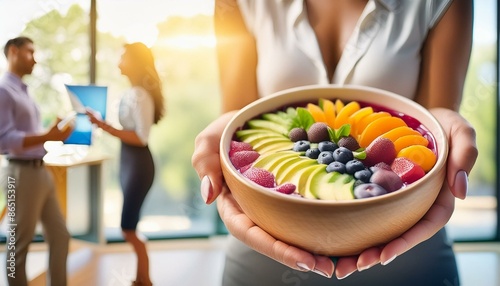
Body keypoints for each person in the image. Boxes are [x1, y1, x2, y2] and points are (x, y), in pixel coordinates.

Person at [192, 0, 478, 285]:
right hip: (265, 237)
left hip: (408, 238)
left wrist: (447, 124)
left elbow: (432, 121)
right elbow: (238, 115)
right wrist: (224, 142)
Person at [86, 42, 165, 286]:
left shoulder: (140, 94)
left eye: (123, 56)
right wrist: (103, 125)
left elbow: (141, 138)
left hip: (139, 165)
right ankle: (141, 279)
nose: (119, 61)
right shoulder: (133, 92)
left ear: (135, 62)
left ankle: (146, 280)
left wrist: (104, 127)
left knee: (127, 228)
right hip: (129, 163)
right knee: (129, 227)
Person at [0, 36, 72, 286]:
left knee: (61, 237)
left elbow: (31, 134)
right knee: (18, 246)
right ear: (13, 51)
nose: (35, 58)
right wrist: (47, 135)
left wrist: (55, 135)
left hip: (41, 171)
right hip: (19, 174)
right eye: (30, 52)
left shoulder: (23, 91)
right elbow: (3, 140)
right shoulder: (3, 91)